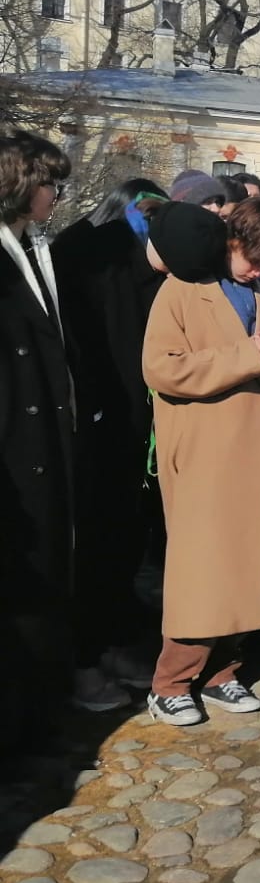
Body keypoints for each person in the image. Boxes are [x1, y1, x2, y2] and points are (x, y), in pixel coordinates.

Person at [142, 198, 260, 726]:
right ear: (231, 240)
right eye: (254, 258)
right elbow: (161, 369)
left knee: (255, 563)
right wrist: (244, 357)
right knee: (205, 569)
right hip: (208, 451)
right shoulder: (182, 290)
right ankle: (170, 682)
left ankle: (222, 671)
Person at [51, 176, 171, 707]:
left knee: (123, 536)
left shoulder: (127, 260)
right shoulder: (90, 253)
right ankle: (88, 651)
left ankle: (116, 638)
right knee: (98, 539)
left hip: (127, 414)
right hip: (97, 414)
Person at [0, 131, 80, 740]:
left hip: (45, 444)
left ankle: (40, 709)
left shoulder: (31, 248)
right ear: (24, 186)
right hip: (14, 451)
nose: (57, 195)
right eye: (50, 183)